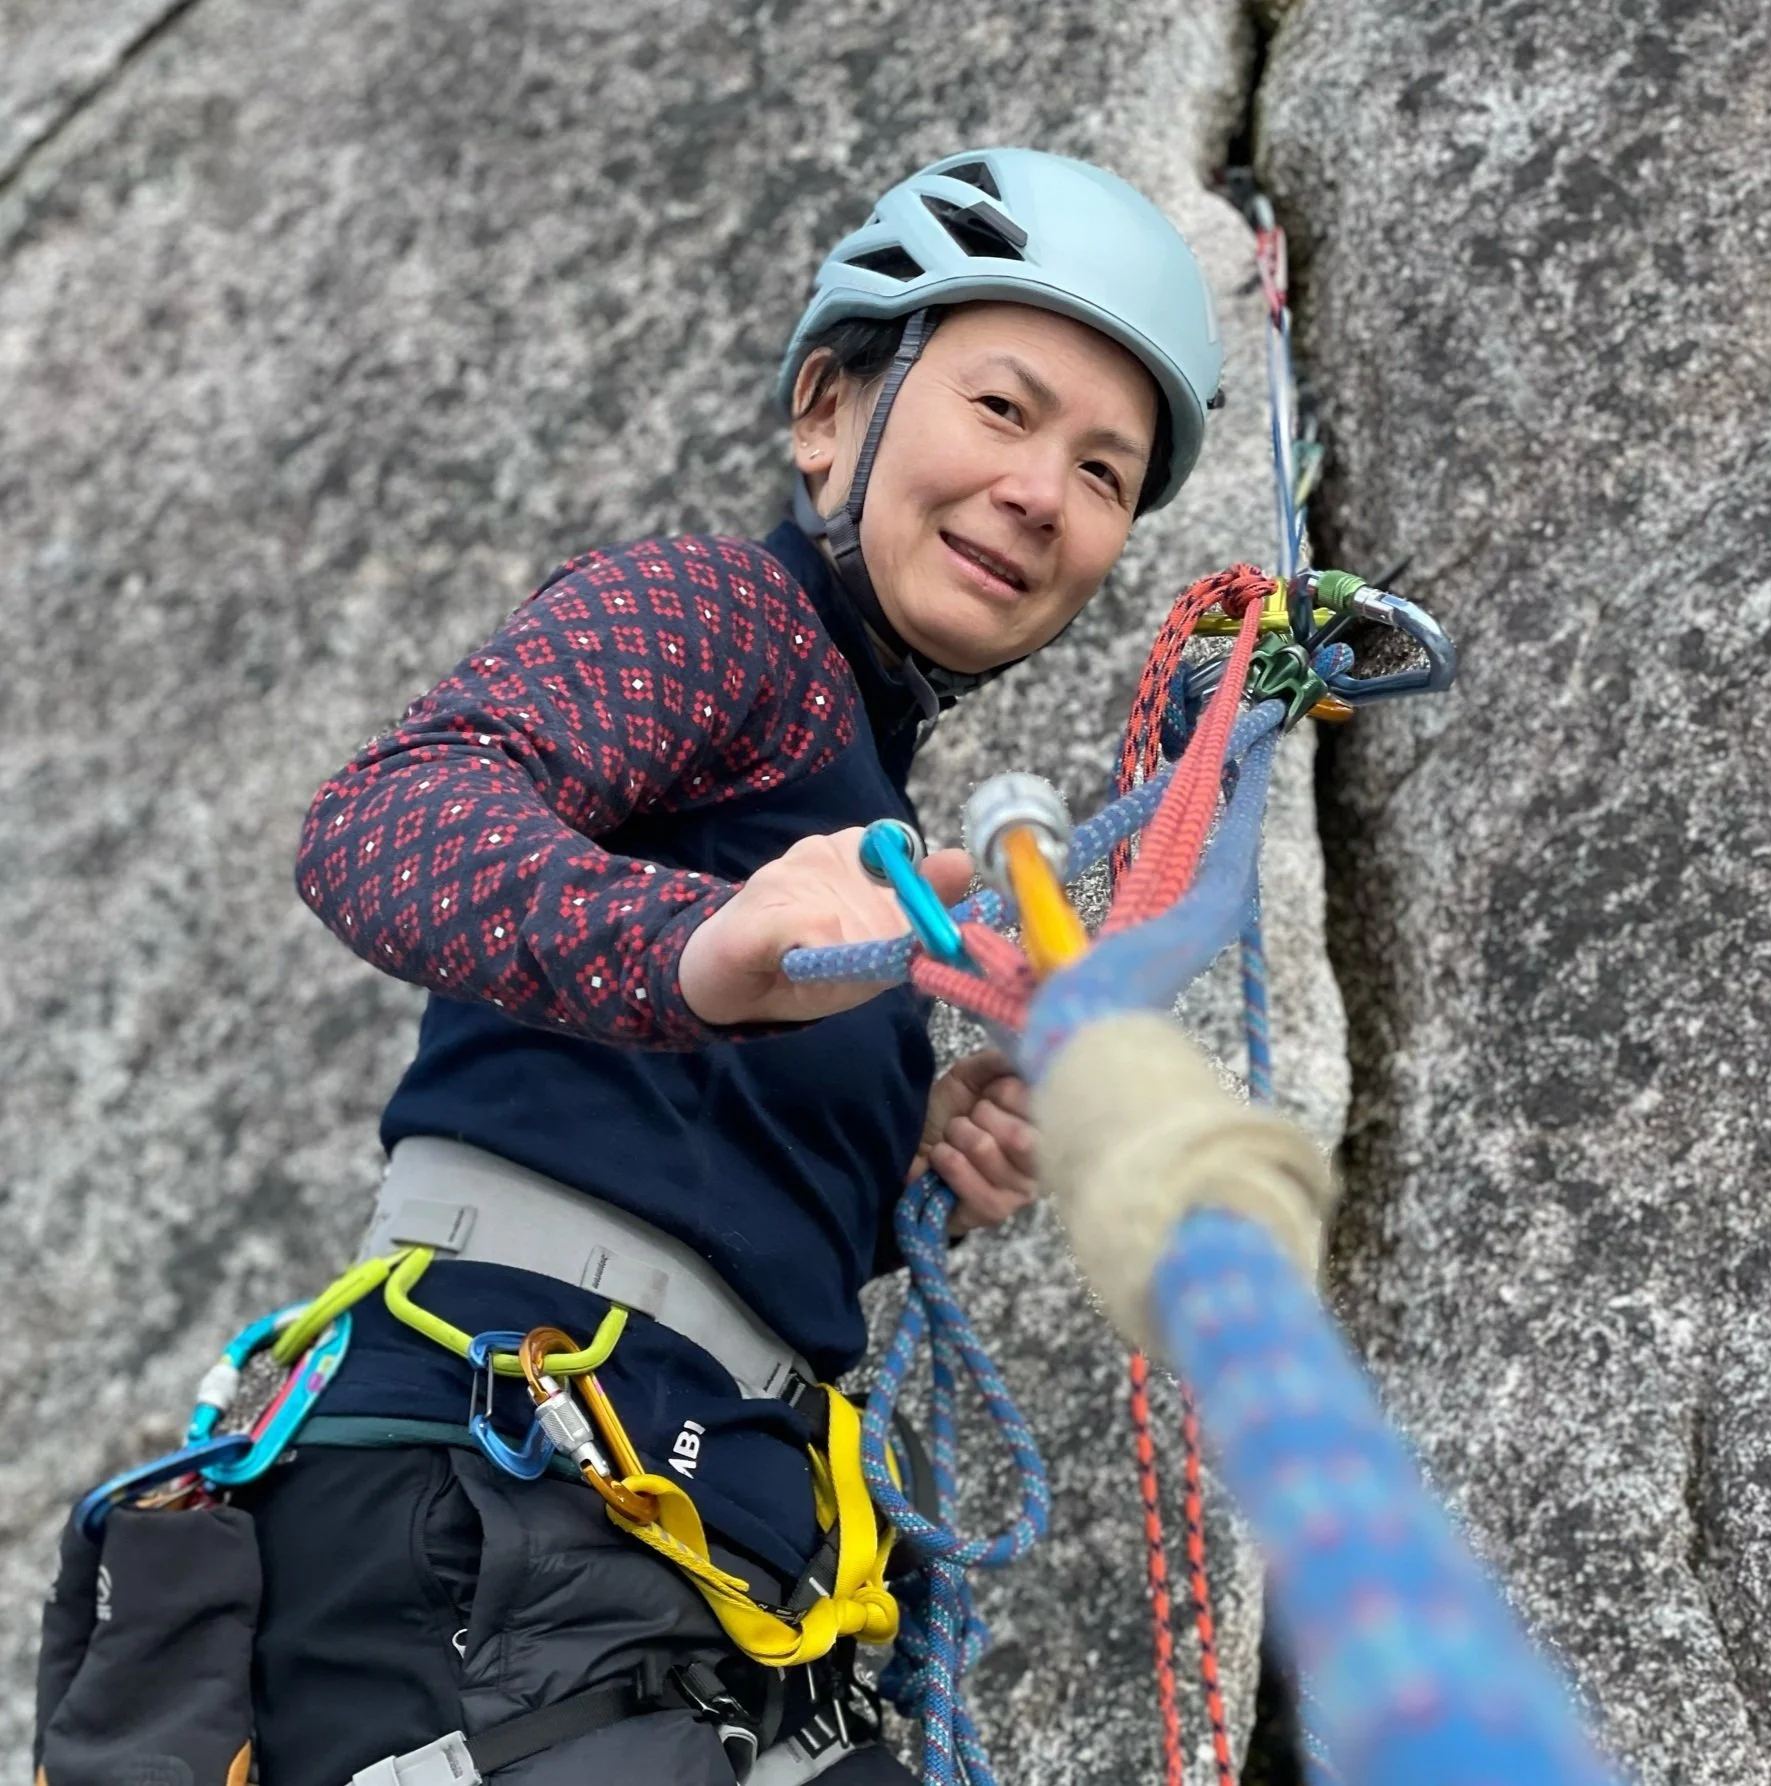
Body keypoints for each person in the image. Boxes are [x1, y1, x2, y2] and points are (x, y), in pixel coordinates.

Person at [259, 146, 1223, 1785]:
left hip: (709, 1538)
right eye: (1001, 408)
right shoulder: (720, 616)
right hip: (501, 1495)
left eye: (1103, 473)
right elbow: (387, 816)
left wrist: (897, 1150)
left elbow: (675, 1127)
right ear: (826, 413)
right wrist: (699, 952)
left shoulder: (857, 823)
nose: (1043, 493)